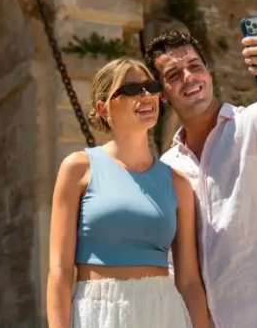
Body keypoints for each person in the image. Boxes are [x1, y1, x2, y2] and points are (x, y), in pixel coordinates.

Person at [145, 28, 257, 328]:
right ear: (162, 94)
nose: (189, 78)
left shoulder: (253, 124)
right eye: (174, 75)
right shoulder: (167, 168)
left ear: (208, 72)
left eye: (195, 66)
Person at [47, 58, 210, 328]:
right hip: (97, 312)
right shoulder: (78, 169)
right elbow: (60, 271)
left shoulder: (177, 183)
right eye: (132, 89)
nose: (146, 95)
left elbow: (190, 281)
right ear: (103, 109)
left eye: (151, 87)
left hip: (163, 312)